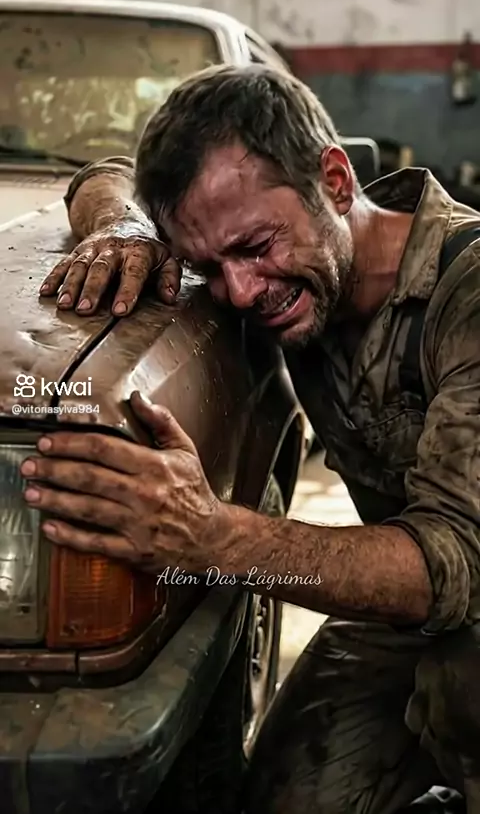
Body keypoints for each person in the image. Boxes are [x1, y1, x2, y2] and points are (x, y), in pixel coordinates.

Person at [21, 64, 480, 813]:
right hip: (411, 616)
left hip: (462, 589)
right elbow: (103, 174)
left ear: (336, 182)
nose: (238, 291)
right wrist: (125, 228)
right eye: (207, 266)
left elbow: (454, 563)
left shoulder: (468, 290)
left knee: (466, 684)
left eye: (256, 246)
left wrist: (212, 537)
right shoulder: (279, 254)